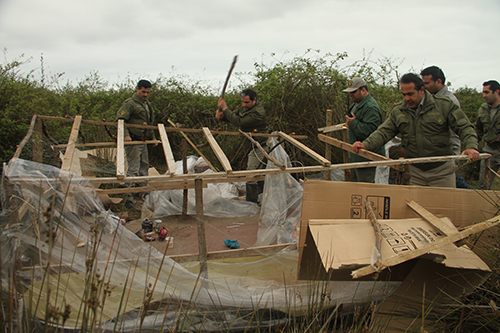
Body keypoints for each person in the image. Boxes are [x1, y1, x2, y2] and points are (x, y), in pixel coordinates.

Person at [352, 73, 479, 188]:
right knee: (415, 208)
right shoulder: (399, 111)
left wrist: (471, 147)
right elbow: (384, 132)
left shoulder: (443, 105)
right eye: (404, 95)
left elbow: (464, 127)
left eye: (410, 94)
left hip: (441, 171)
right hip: (416, 172)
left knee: (442, 209)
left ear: (422, 90)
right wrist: (365, 144)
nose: (407, 98)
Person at [217, 88, 268, 202]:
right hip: (250, 145)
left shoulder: (258, 113)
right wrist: (222, 117)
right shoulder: (246, 108)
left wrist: (225, 108)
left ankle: (252, 203)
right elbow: (234, 116)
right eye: (242, 102)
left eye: (246, 102)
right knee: (257, 172)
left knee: (251, 174)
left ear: (254, 100)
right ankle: (261, 198)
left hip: (260, 146)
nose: (244, 104)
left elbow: (239, 122)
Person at [117, 79, 157, 207]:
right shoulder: (130, 104)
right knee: (133, 168)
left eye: (147, 92)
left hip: (143, 140)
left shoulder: (146, 104)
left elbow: (148, 122)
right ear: (137, 89)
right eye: (143, 91)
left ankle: (142, 193)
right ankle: (129, 196)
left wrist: (152, 137)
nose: (145, 94)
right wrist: (126, 135)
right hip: (133, 140)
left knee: (144, 167)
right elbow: (120, 120)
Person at [343, 77, 385, 183]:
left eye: (354, 91)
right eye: (350, 92)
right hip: (356, 155)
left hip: (366, 157)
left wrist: (353, 123)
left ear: (363, 90)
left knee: (365, 189)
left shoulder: (370, 107)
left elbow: (371, 132)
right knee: (354, 188)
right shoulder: (356, 105)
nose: (351, 94)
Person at [420, 66, 461, 155]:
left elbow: (457, 129)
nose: (424, 87)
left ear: (438, 82)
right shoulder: (428, 98)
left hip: (448, 150)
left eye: (427, 83)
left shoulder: (450, 101)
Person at [476, 80, 500, 189]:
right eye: (483, 93)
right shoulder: (483, 108)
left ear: (497, 92)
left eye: (487, 92)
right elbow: (478, 129)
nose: (484, 95)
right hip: (490, 150)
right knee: (484, 186)